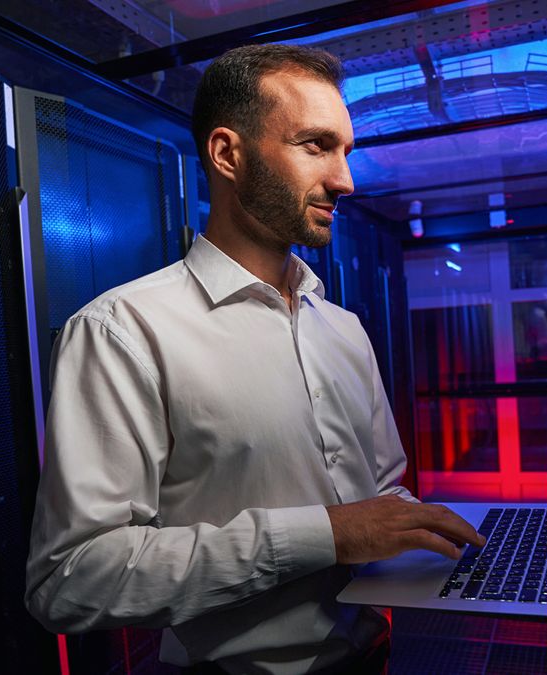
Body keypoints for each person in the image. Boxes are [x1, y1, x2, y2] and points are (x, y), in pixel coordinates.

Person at [24, 44, 484, 674]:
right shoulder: (123, 331)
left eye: (345, 151)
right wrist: (325, 534)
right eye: (316, 146)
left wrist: (435, 550)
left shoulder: (344, 329)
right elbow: (70, 580)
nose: (345, 180)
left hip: (375, 656)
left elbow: (380, 498)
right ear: (227, 154)